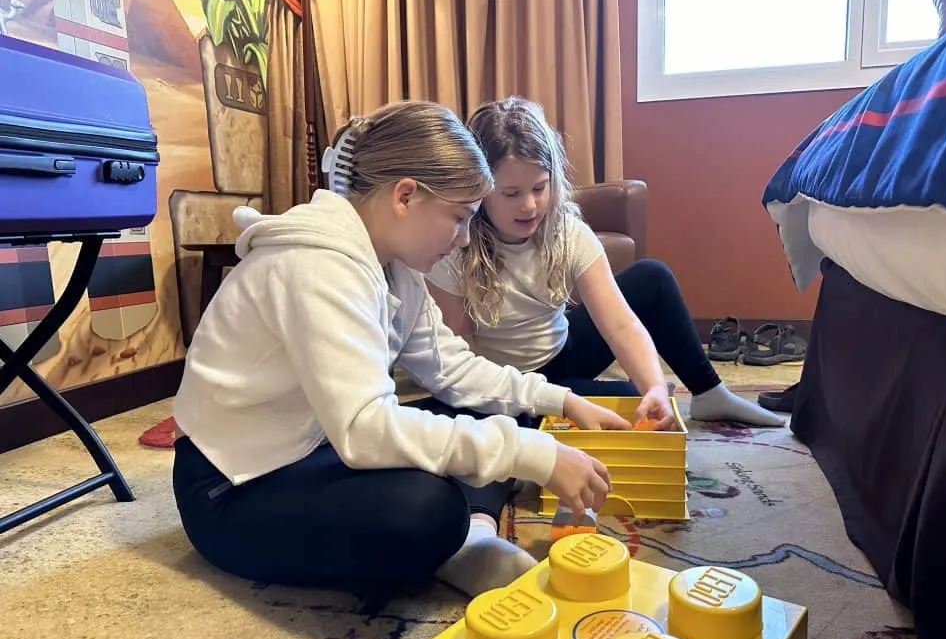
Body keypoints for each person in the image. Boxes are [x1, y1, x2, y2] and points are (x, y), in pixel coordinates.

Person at [171, 100, 630, 600]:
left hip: (312, 448)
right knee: (426, 511)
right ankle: (454, 540)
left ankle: (464, 535)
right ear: (405, 196)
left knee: (487, 412)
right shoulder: (317, 267)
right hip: (230, 487)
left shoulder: (396, 266)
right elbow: (366, 430)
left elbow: (452, 369)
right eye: (458, 218)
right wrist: (531, 454)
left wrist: (560, 400)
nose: (461, 241)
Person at [425, 96, 784, 429]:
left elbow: (620, 325)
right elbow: (463, 357)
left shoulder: (568, 232)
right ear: (482, 190)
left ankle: (709, 393)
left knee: (651, 281)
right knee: (622, 404)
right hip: (504, 381)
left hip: (561, 355)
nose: (530, 206)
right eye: (511, 194)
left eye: (539, 188)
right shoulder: (456, 246)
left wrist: (655, 388)